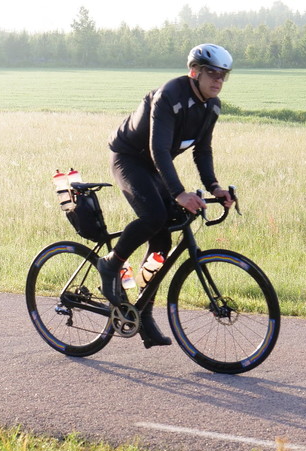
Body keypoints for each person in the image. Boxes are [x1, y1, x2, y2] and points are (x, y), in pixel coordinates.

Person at [98, 43, 235, 348]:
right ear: (194, 72)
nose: (218, 80)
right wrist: (179, 193)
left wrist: (214, 187)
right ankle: (111, 263)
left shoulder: (211, 107)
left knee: (163, 239)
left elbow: (203, 150)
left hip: (152, 165)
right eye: (212, 72)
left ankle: (143, 311)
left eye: (223, 75)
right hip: (129, 157)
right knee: (154, 217)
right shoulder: (169, 96)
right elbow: (158, 149)